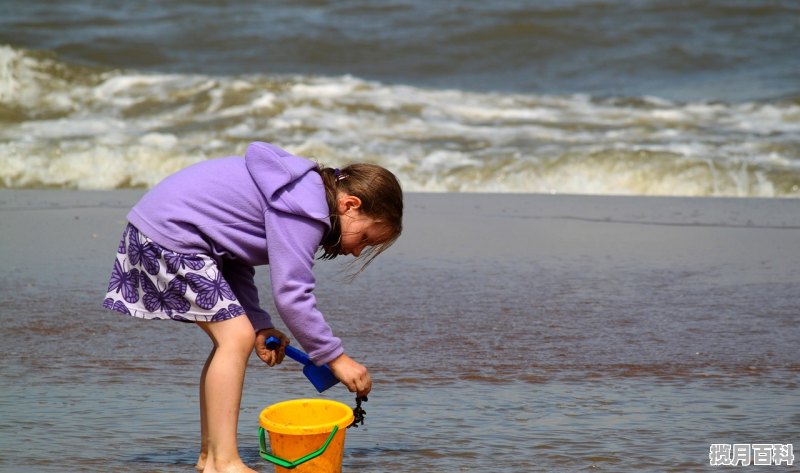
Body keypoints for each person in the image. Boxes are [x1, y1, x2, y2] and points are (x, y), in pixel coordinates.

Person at [101, 141, 403, 473]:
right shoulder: (307, 209)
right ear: (350, 205)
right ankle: (225, 463)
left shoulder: (298, 195)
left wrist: (259, 324)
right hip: (171, 235)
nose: (358, 252)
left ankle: (210, 457)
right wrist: (334, 358)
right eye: (364, 240)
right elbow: (292, 294)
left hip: (165, 231)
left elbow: (232, 258)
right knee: (235, 339)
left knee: (236, 336)